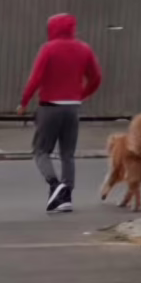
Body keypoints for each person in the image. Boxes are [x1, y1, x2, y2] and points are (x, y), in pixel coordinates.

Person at [18, 14, 102, 214]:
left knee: (41, 151)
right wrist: (81, 94)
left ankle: (55, 186)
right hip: (72, 108)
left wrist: (24, 102)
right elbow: (96, 77)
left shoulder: (48, 49)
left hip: (50, 107)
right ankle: (66, 197)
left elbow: (36, 78)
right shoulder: (84, 49)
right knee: (67, 154)